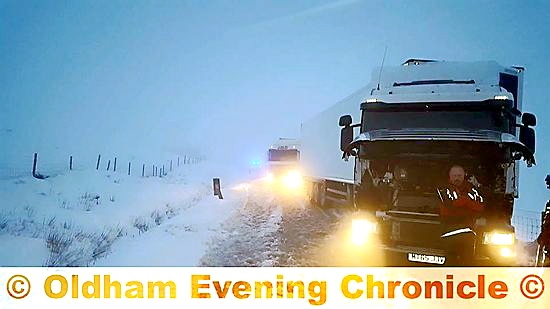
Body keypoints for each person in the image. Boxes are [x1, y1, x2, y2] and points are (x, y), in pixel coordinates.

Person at [438, 165, 485, 265]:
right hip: (449, 234)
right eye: (454, 175)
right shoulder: (443, 189)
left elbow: (480, 207)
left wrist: (462, 203)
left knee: (467, 266)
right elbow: (449, 206)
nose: (457, 178)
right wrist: (468, 203)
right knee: (450, 266)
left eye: (459, 175)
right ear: (450, 176)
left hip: (468, 235)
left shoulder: (472, 189)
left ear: (464, 176)